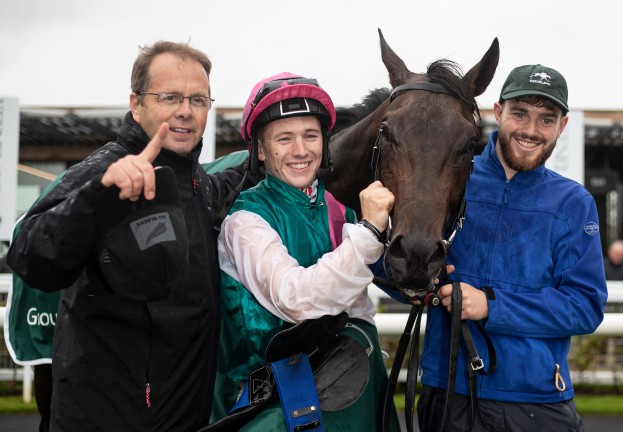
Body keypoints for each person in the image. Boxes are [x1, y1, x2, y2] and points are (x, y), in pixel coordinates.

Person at [6, 41, 258, 431]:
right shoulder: (108, 169)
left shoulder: (199, 185)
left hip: (180, 416)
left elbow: (241, 176)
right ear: (136, 103)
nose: (186, 111)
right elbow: (29, 254)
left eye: (198, 99)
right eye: (170, 96)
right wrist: (100, 196)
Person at [417, 64, 607, 431]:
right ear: (498, 112)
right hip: (448, 396)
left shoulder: (573, 202)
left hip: (536, 404)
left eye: (545, 119)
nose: (531, 131)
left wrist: (491, 305)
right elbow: (394, 265)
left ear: (562, 126)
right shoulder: (449, 178)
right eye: (520, 114)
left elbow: (585, 306)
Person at [211, 72, 399, 431]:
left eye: (311, 136)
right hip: (269, 403)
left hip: (340, 385)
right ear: (261, 151)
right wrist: (369, 232)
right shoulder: (245, 218)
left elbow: (356, 307)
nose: (301, 150)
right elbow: (295, 299)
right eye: (284, 139)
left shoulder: (336, 208)